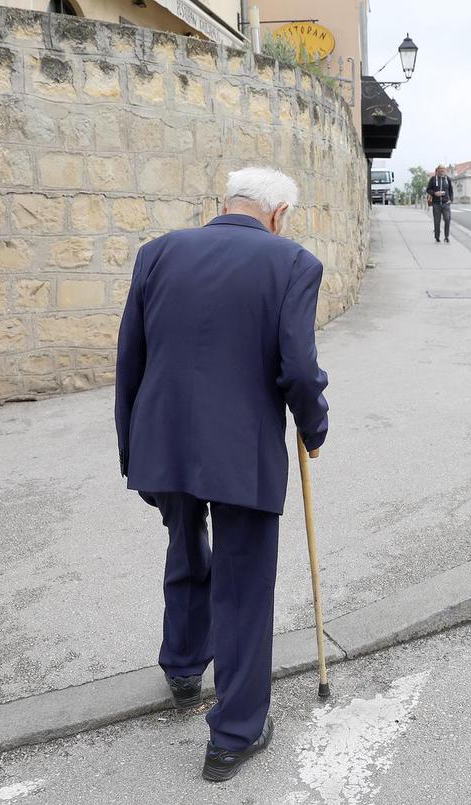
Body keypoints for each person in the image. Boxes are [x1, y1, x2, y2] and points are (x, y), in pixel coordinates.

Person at [115, 167, 330, 783]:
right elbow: (298, 367)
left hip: (166, 438)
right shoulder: (292, 263)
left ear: (225, 203)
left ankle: (183, 667)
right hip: (241, 449)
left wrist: (132, 445)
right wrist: (314, 427)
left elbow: (130, 357)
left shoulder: (157, 254)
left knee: (185, 546)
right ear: (279, 212)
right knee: (243, 583)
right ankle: (234, 733)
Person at [426, 166, 452, 243]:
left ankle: (446, 237)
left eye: (443, 171)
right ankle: (437, 237)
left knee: (447, 219)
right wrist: (434, 193)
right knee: (437, 221)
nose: (442, 172)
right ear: (437, 171)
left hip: (446, 203)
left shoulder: (447, 179)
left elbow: (451, 191)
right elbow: (428, 189)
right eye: (440, 171)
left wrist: (451, 199)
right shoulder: (433, 179)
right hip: (436, 204)